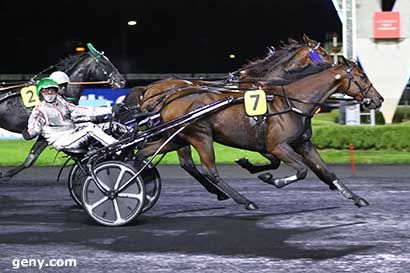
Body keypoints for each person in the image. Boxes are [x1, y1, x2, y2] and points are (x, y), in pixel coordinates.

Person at [22, 78, 118, 152]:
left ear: (56, 91)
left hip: (72, 132)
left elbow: (82, 110)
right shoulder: (39, 111)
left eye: (52, 90)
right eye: (46, 91)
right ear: (40, 93)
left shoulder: (61, 101)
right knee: (90, 129)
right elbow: (34, 129)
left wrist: (110, 109)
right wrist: (29, 134)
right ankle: (116, 147)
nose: (50, 93)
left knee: (105, 125)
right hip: (62, 141)